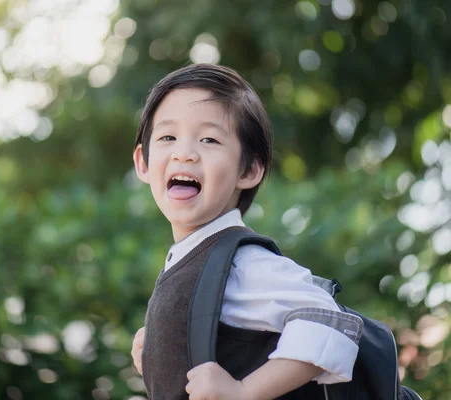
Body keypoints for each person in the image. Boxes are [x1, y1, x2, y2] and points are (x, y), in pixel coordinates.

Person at [129, 63, 364, 399]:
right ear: (144, 162)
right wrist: (159, 352)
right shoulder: (192, 256)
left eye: (209, 139)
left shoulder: (242, 262)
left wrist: (243, 391)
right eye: (168, 137)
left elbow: (330, 322)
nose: (184, 153)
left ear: (250, 169)